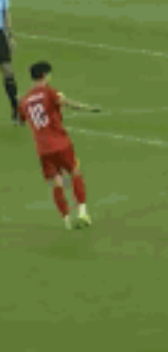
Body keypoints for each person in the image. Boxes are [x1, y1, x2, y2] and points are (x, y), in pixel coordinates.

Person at [18, 61, 101, 230]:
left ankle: (66, 220)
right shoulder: (49, 92)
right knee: (75, 172)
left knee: (56, 182)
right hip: (60, 143)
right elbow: (66, 102)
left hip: (42, 149)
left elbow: (22, 119)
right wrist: (88, 108)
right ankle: (82, 212)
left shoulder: (24, 100)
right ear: (44, 75)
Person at [0, 0, 17, 124]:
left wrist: (10, 37)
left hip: (0, 36)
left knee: (8, 71)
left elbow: (6, 14)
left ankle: (15, 109)